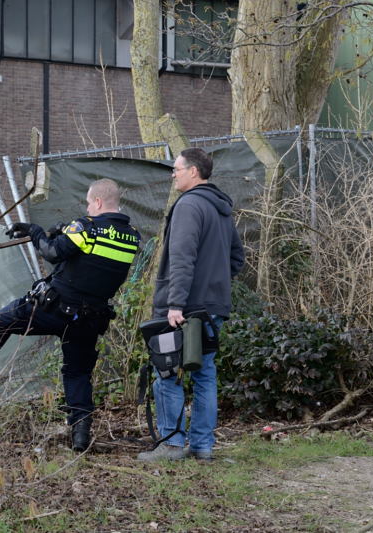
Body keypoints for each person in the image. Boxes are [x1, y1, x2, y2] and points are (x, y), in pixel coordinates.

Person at [0, 178, 141, 452]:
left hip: (53, 309)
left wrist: (36, 232)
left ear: (97, 201)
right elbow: (90, 262)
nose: (87, 207)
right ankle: (80, 436)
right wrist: (62, 233)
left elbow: (53, 253)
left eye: (88, 203)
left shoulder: (86, 226)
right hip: (91, 318)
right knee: (77, 374)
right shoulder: (132, 235)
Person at [137, 148, 244, 462]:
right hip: (213, 308)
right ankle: (202, 447)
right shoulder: (221, 208)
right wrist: (215, 283)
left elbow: (182, 259)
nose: (173, 174)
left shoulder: (188, 206)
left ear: (193, 171)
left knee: (167, 371)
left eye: (177, 169)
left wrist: (175, 303)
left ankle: (171, 445)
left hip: (184, 309)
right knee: (205, 374)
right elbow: (236, 258)